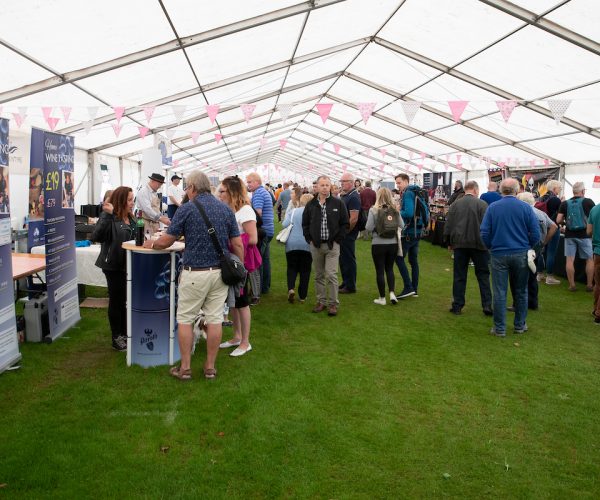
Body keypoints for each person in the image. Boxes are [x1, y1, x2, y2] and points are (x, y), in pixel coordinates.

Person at [145, 170, 243, 380]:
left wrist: (151, 243)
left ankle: (186, 368)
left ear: (192, 188)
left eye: (186, 188)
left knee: (186, 319)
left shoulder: (187, 209)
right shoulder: (225, 209)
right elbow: (237, 243)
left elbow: (166, 241)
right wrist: (240, 267)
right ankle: (209, 367)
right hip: (219, 274)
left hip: (194, 274)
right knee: (215, 319)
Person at [480, 178, 540, 337]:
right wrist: (528, 246)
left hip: (499, 254)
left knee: (500, 292)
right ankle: (519, 325)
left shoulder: (493, 208)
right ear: (517, 190)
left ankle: (500, 328)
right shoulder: (525, 208)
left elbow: (484, 233)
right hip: (520, 253)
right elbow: (536, 234)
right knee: (521, 291)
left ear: (501, 190)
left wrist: (491, 246)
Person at [90, 186, 137, 351]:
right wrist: (106, 214)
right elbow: (96, 237)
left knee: (125, 300)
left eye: (133, 199)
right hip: (113, 265)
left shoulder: (130, 218)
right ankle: (117, 336)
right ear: (121, 200)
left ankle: (125, 333)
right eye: (130, 200)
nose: (132, 203)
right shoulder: (112, 217)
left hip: (128, 265)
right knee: (116, 301)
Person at [217, 176, 258, 357]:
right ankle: (236, 336)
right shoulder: (228, 210)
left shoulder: (246, 210)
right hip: (230, 259)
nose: (219, 194)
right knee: (233, 300)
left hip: (240, 261)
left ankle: (245, 342)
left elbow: (253, 238)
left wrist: (232, 241)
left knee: (242, 302)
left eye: (222, 191)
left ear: (232, 192)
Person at [302, 175, 349, 317]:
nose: (324, 188)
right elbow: (305, 224)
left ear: (330, 186)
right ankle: (321, 301)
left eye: (327, 185)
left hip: (332, 245)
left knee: (331, 274)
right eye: (322, 185)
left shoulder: (338, 203)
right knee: (318, 275)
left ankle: (333, 303)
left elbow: (344, 223)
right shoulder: (311, 204)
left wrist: (338, 240)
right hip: (316, 245)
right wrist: (309, 238)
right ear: (317, 186)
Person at [443, 180, 492, 316]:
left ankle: (457, 305)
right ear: (476, 190)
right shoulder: (483, 205)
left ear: (466, 190)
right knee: (483, 275)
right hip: (479, 244)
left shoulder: (455, 204)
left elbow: (449, 224)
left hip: (460, 244)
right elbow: (488, 226)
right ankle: (487, 305)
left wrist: (448, 241)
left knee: (459, 275)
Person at [516, 191, 557, 310]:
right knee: (532, 275)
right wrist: (545, 241)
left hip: (524, 246)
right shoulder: (541, 213)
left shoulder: (522, 212)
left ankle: (519, 302)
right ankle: (533, 302)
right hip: (537, 247)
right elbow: (554, 226)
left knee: (520, 276)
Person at [365, 187, 403, 305]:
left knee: (380, 271)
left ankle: (382, 298)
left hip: (378, 244)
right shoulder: (394, 210)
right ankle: (392, 293)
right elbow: (402, 224)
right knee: (390, 269)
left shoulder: (374, 210)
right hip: (392, 244)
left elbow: (368, 227)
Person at [556, 182, 595, 292]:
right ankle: (589, 285)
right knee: (589, 259)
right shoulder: (588, 202)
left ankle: (572, 285)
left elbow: (558, 220)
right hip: (585, 235)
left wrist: (565, 223)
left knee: (569, 260)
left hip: (569, 235)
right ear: (583, 191)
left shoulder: (565, 203)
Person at [394, 173, 426, 298]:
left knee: (399, 258)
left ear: (406, 181)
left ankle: (408, 287)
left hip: (409, 232)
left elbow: (408, 212)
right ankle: (414, 289)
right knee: (413, 261)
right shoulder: (417, 191)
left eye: (399, 182)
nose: (398, 185)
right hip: (418, 231)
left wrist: (397, 211)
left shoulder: (408, 193)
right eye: (397, 183)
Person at [246, 172, 274, 300]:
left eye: (250, 182)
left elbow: (257, 214)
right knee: (265, 260)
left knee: (258, 261)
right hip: (269, 230)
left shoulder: (257, 194)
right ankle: (264, 287)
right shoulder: (264, 192)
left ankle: (258, 289)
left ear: (257, 182)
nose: (248, 184)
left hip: (262, 231)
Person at [282, 193, 313, 304]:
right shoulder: (313, 213)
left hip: (292, 243)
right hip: (307, 244)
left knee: (292, 268)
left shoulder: (293, 211)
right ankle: (303, 296)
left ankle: (291, 289)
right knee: (305, 270)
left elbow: (285, 224)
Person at [339, 173, 361, 294]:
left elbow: (353, 218)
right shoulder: (347, 195)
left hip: (348, 234)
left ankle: (350, 285)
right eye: (341, 181)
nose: (341, 183)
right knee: (343, 259)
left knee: (348, 259)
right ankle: (346, 282)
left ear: (351, 182)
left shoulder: (353, 197)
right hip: (345, 233)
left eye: (344, 181)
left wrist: (346, 232)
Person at [538, 180, 563, 285]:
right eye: (559, 188)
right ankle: (550, 276)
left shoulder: (542, 197)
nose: (560, 190)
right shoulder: (556, 200)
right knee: (551, 252)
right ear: (554, 188)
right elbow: (559, 218)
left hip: (542, 227)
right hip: (553, 227)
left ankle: (539, 274)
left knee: (540, 251)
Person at [586, 202, 600, 324]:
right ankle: (598, 314)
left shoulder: (595, 209)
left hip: (597, 251)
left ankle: (595, 309)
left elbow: (589, 231)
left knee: (598, 283)